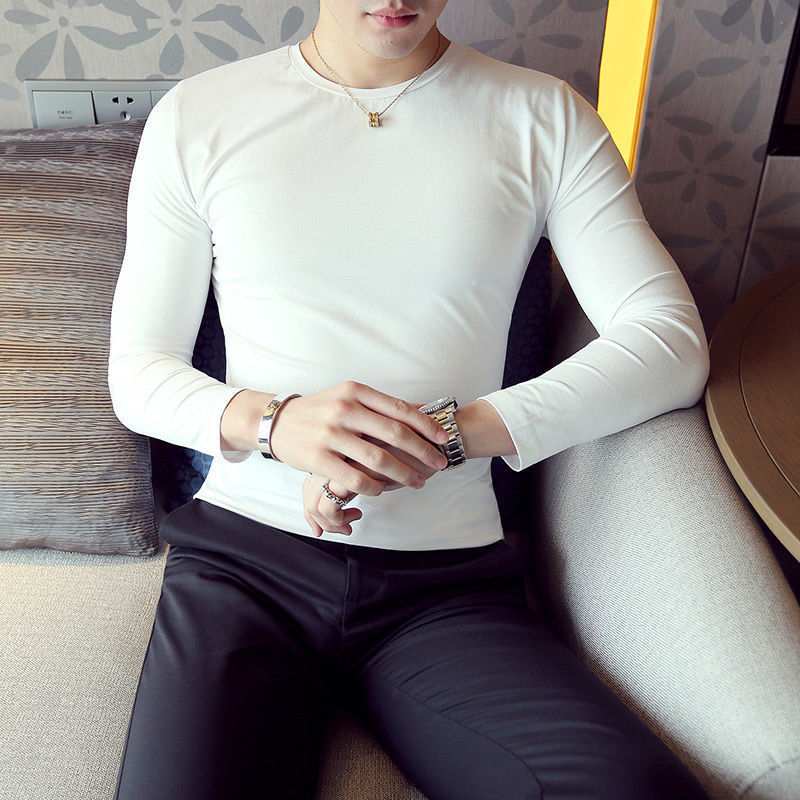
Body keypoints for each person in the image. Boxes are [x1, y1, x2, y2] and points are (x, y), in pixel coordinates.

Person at [108, 1, 712, 798]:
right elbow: (139, 373)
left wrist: (449, 434)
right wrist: (281, 424)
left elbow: (671, 342)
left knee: (632, 790)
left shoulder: (545, 117)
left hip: (444, 589)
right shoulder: (200, 114)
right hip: (244, 567)